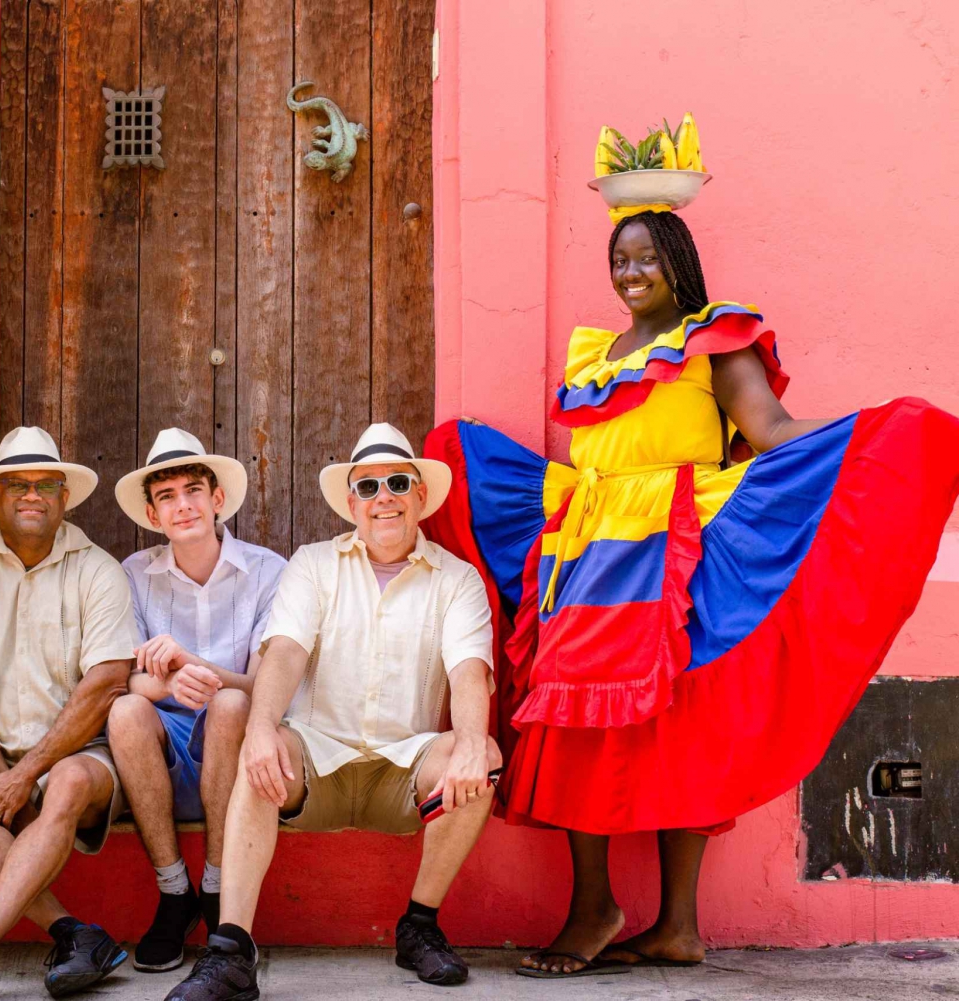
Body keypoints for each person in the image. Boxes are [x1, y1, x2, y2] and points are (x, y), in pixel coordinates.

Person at [422, 202, 959, 978]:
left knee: (681, 725)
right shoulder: (593, 356)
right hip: (589, 552)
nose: (631, 273)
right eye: (620, 261)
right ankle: (594, 905)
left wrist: (867, 429)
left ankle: (678, 924)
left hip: (679, 550)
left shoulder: (718, 339)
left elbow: (771, 431)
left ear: (677, 260)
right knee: (573, 719)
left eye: (645, 258)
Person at [164, 423, 502, 1001]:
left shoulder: (457, 578)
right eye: (368, 488)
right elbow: (286, 651)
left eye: (398, 482)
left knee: (482, 753)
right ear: (352, 503)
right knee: (259, 746)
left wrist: (472, 738)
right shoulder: (313, 563)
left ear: (421, 495)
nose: (383, 498)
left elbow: (468, 667)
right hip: (315, 761)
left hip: (404, 765)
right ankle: (231, 951)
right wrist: (262, 728)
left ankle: (419, 926)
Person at [0, 426, 138, 1001]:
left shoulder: (98, 571)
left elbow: (106, 684)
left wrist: (25, 775)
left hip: (79, 756)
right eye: (17, 483)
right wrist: (1, 776)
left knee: (63, 784)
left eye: (45, 485)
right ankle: (74, 933)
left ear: (65, 496)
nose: (32, 495)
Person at [108, 429, 286, 972]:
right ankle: (174, 892)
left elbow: (265, 690)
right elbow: (125, 682)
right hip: (161, 756)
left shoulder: (268, 571)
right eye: (167, 496)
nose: (182, 505)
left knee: (231, 706)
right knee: (125, 710)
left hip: (237, 750)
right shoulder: (133, 575)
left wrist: (195, 667)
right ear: (152, 513)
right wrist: (165, 685)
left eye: (192, 490)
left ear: (217, 500)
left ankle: (215, 885)